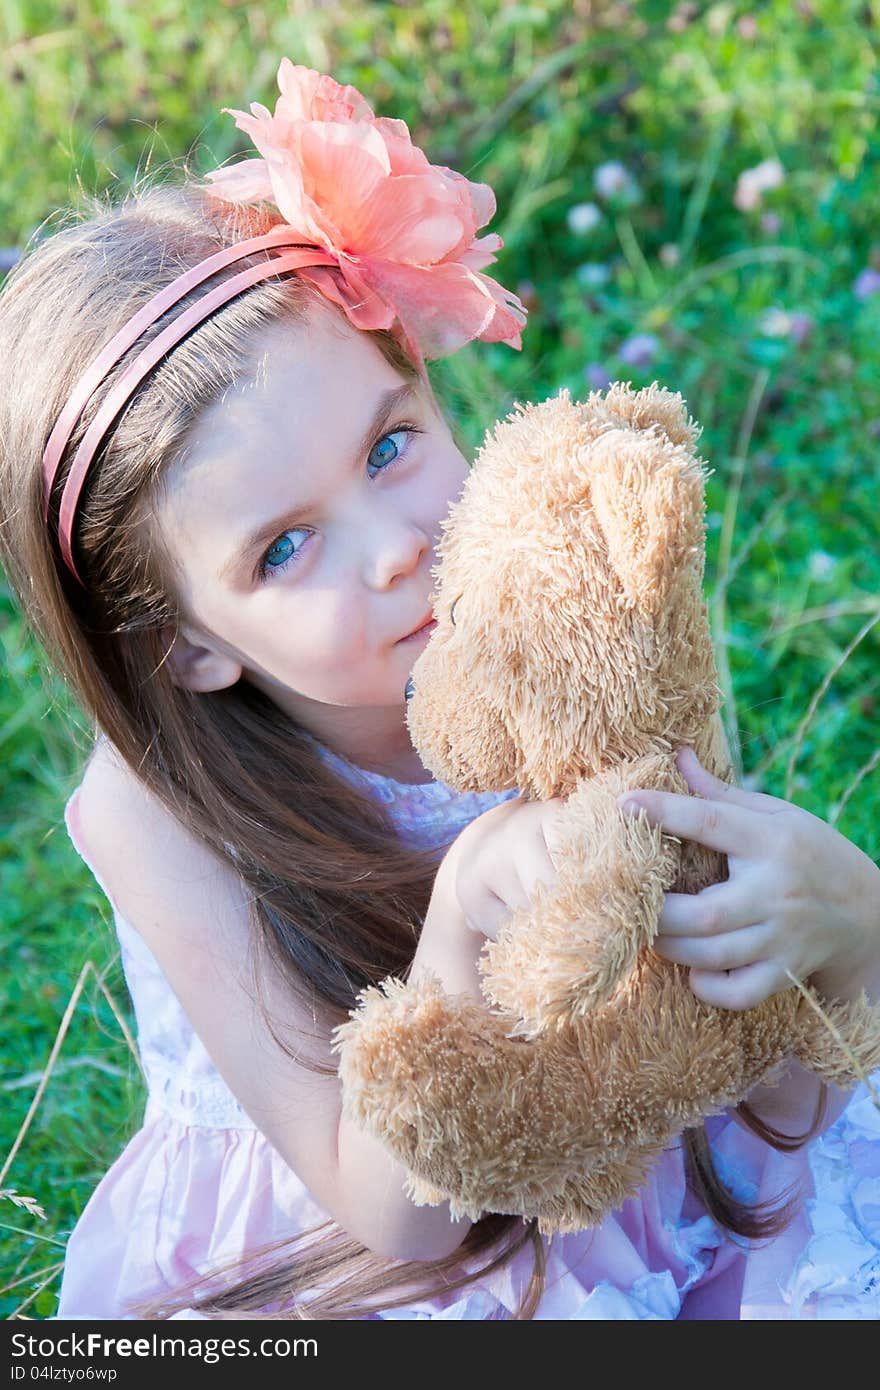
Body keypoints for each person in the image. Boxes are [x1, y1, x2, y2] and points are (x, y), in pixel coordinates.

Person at [1, 60, 878, 1322]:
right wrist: (462, 916)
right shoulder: (152, 816)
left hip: (638, 1155)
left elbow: (730, 1051)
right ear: (182, 644)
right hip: (379, 1248)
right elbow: (399, 1218)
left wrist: (848, 926)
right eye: (285, 546)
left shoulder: (571, 621)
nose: (398, 544)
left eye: (389, 445)